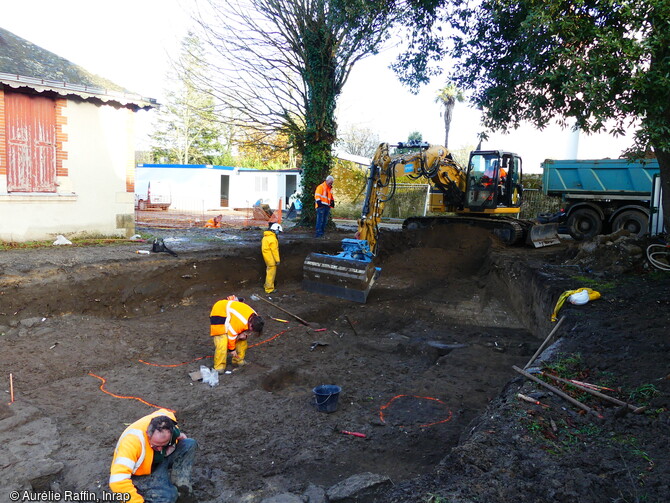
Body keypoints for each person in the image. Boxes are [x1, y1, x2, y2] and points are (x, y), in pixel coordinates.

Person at [109, 409, 197, 503]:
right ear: (148, 434)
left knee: (189, 444)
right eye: (155, 446)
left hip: (159, 460)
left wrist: (178, 436)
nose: (159, 449)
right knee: (168, 496)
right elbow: (116, 482)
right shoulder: (131, 443)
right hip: (140, 474)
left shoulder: (168, 424)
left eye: (163, 445)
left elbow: (165, 412)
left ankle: (181, 485)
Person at [209, 296, 265, 372]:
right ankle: (219, 367)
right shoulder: (241, 322)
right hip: (220, 311)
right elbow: (231, 336)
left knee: (243, 340)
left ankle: (237, 360)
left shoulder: (255, 318)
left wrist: (244, 334)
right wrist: (232, 350)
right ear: (251, 324)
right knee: (222, 341)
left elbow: (243, 330)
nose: (251, 332)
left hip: (233, 315)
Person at [262, 223, 282, 294]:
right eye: (278, 231)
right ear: (275, 230)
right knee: (271, 274)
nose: (278, 233)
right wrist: (277, 260)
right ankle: (269, 289)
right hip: (271, 259)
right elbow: (275, 250)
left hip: (267, 258)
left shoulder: (265, 237)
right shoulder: (272, 239)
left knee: (268, 272)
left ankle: (267, 285)